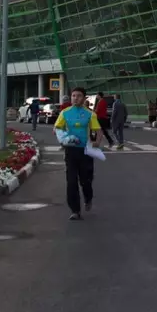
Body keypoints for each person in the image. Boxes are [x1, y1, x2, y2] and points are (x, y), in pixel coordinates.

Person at [54, 87, 103, 220]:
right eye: (74, 96)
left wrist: (97, 142)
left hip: (86, 151)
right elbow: (57, 128)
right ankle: (75, 210)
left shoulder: (90, 114)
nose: (76, 98)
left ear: (84, 98)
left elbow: (98, 131)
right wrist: (62, 138)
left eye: (79, 96)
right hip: (70, 151)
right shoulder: (65, 113)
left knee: (85, 181)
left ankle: (88, 197)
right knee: (71, 181)